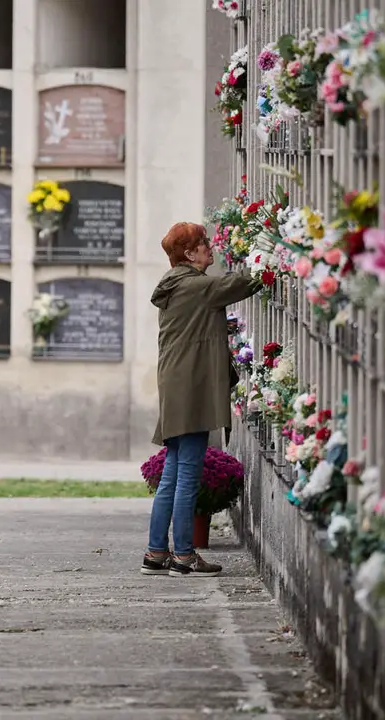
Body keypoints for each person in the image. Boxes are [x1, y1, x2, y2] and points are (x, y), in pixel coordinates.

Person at [141, 222, 262, 578]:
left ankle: (155, 552)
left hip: (177, 385)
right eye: (203, 244)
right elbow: (237, 284)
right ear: (189, 254)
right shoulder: (194, 286)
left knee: (173, 472)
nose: (210, 248)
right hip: (190, 388)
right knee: (187, 473)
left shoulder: (175, 284)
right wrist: (272, 262)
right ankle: (183, 555)